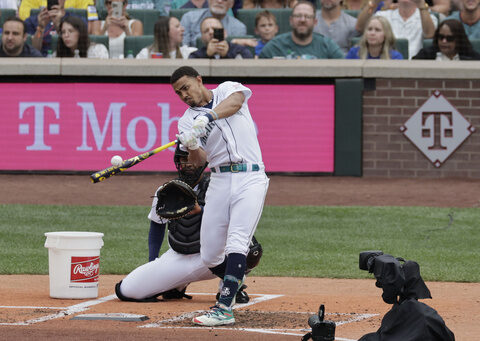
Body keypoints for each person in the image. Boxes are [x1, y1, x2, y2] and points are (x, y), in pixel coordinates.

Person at [172, 66, 269, 326]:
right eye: (178, 92)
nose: (184, 94)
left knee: (237, 242)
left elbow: (236, 103)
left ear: (199, 80)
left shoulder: (226, 89)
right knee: (211, 254)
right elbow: (198, 162)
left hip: (251, 177)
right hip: (219, 180)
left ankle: (224, 308)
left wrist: (208, 116)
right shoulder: (185, 121)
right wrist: (191, 144)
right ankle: (234, 279)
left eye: (186, 87)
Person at [116, 145, 261, 304]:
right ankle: (176, 285)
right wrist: (153, 263)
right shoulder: (166, 191)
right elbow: (157, 227)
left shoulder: (219, 188)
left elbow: (234, 222)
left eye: (191, 159)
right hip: (178, 256)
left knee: (250, 249)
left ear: (202, 162)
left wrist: (202, 211)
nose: (187, 164)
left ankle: (231, 287)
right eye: (182, 159)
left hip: (214, 256)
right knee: (126, 290)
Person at [259, 1, 344, 59]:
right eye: (298, 16)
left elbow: (344, 70)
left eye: (307, 17)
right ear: (291, 20)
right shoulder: (274, 47)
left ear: (315, 22)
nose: (302, 20)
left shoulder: (328, 46)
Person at [355, 0, 437, 59]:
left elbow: (429, 35)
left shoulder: (428, 17)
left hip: (416, 63)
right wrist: (373, 2)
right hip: (387, 61)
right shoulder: (383, 15)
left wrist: (421, 5)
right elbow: (360, 27)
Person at [180, 0, 246, 47]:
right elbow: (183, 48)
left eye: (225, 0)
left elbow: (238, 52)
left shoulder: (239, 27)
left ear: (231, 4)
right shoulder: (189, 18)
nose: (219, 1)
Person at [413, 18, 480, 59]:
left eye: (449, 38)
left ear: (458, 40)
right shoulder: (426, 55)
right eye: (441, 37)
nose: (444, 41)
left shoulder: (472, 58)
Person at [18, 0, 99, 34]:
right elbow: (24, 32)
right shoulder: (33, 20)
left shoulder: (73, 17)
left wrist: (60, 24)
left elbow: (93, 31)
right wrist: (40, 28)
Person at [189, 17, 254, 58]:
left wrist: (227, 54)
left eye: (215, 29)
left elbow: (249, 62)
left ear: (225, 33)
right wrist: (207, 55)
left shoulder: (239, 50)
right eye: (206, 31)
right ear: (202, 38)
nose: (211, 32)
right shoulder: (196, 54)